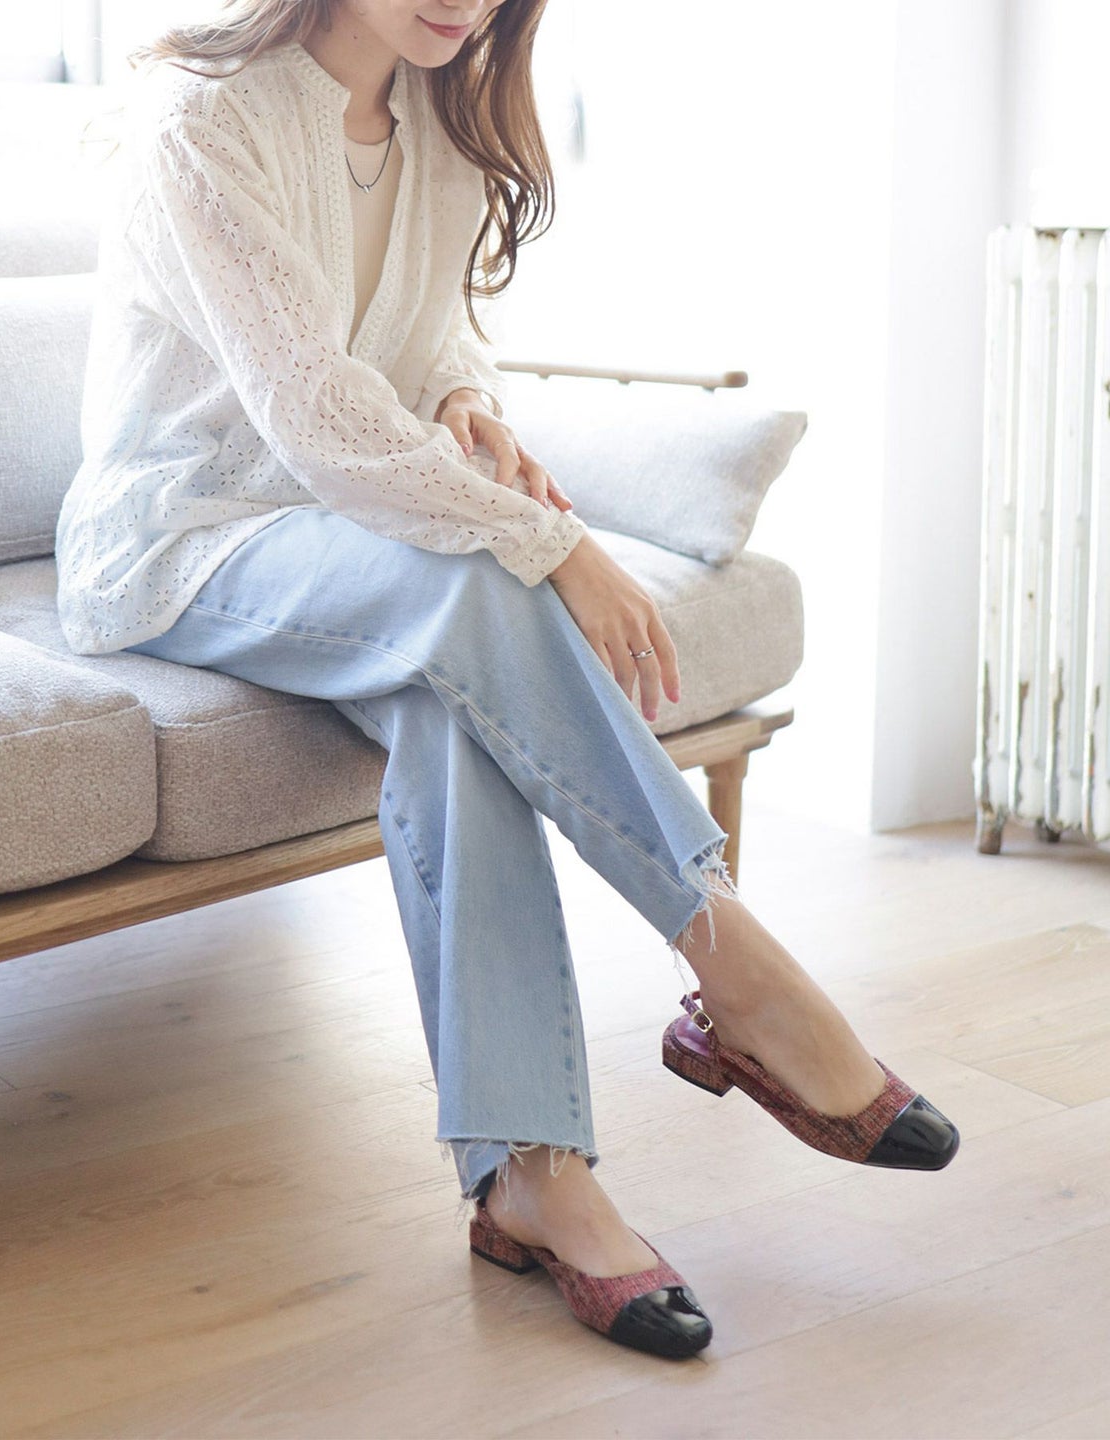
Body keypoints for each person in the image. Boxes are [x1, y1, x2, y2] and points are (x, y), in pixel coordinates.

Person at [56, 0, 958, 1361]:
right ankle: (738, 967)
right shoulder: (203, 117)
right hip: (189, 538)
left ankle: (532, 1179)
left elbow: (432, 340)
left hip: (357, 543)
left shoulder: (442, 117)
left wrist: (466, 402)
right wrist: (560, 543)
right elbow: (313, 411)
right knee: (491, 583)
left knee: (451, 711)